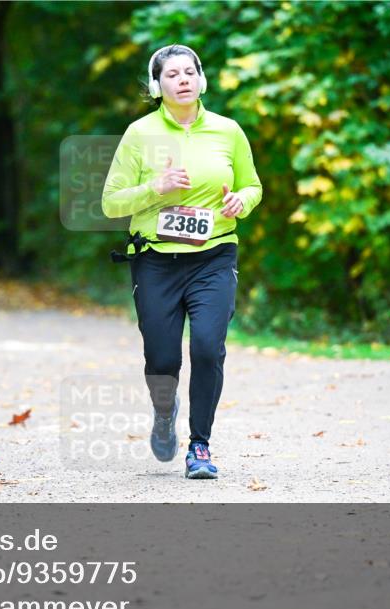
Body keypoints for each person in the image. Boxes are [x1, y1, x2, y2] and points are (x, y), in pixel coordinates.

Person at [102, 44, 263, 479]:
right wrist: (155, 186)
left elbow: (253, 186)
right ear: (157, 86)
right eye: (172, 74)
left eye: (190, 72)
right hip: (155, 260)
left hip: (214, 256)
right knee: (162, 360)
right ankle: (163, 409)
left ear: (202, 79)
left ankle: (200, 447)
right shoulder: (139, 134)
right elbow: (111, 203)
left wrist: (239, 202)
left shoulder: (228, 131)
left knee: (209, 348)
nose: (184, 79)